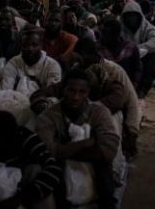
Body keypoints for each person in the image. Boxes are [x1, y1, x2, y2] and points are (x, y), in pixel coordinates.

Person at [35, 69, 120, 209]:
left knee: (104, 165)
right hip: (62, 173)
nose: (76, 97)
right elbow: (46, 151)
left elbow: (108, 150)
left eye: (82, 92)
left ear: (87, 93)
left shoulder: (98, 112)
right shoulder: (49, 116)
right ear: (63, 90)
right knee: (49, 167)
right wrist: (86, 143)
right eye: (71, 91)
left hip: (93, 170)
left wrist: (63, 150)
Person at [0, 26, 62, 92]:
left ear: (41, 45)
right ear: (20, 46)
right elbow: (5, 91)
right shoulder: (13, 63)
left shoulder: (52, 65)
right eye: (25, 45)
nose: (30, 49)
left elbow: (52, 93)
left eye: (34, 45)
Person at [120, 1, 155, 98]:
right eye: (128, 16)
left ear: (139, 16)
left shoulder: (148, 28)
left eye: (133, 16)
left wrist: (137, 49)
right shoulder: (121, 29)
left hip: (144, 57)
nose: (131, 19)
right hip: (126, 58)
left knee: (152, 56)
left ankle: (143, 88)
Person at [98, 17, 141, 89]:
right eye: (103, 34)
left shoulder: (131, 48)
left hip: (127, 86)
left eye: (107, 35)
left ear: (116, 34)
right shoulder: (99, 48)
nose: (103, 37)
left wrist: (134, 84)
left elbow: (137, 68)